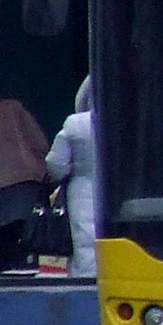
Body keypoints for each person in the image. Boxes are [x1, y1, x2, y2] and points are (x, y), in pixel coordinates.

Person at [46, 76, 98, 279]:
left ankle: (86, 282)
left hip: (82, 189)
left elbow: (55, 165)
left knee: (85, 238)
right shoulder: (127, 121)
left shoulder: (75, 124)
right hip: (122, 190)